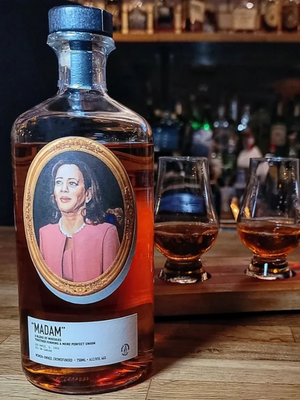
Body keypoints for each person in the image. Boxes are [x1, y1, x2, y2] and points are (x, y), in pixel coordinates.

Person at [39, 158, 121, 282]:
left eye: (72, 183)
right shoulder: (45, 233)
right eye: (59, 182)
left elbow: (114, 285)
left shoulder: (106, 233)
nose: (63, 189)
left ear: (88, 194)